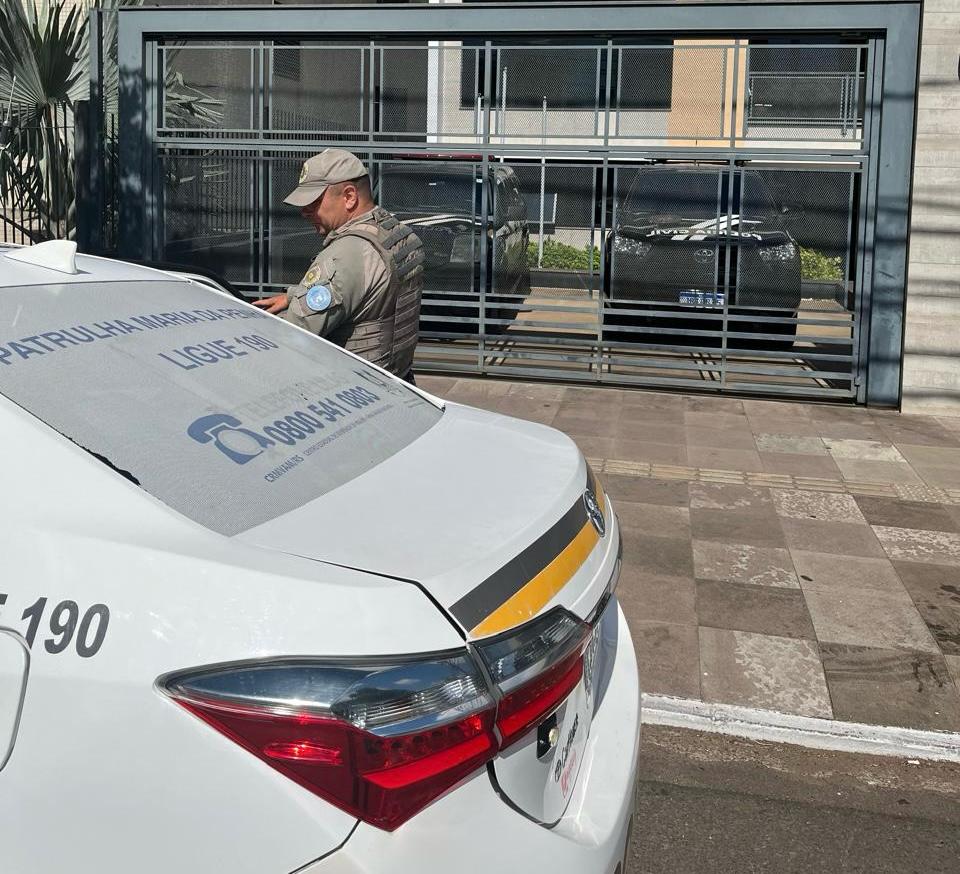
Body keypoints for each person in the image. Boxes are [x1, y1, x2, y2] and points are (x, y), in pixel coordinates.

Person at [254, 149, 424, 383]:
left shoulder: (344, 255)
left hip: (355, 391)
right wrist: (296, 296)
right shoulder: (397, 233)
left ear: (349, 196)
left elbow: (293, 333)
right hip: (398, 379)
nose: (304, 212)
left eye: (313, 203)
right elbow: (365, 296)